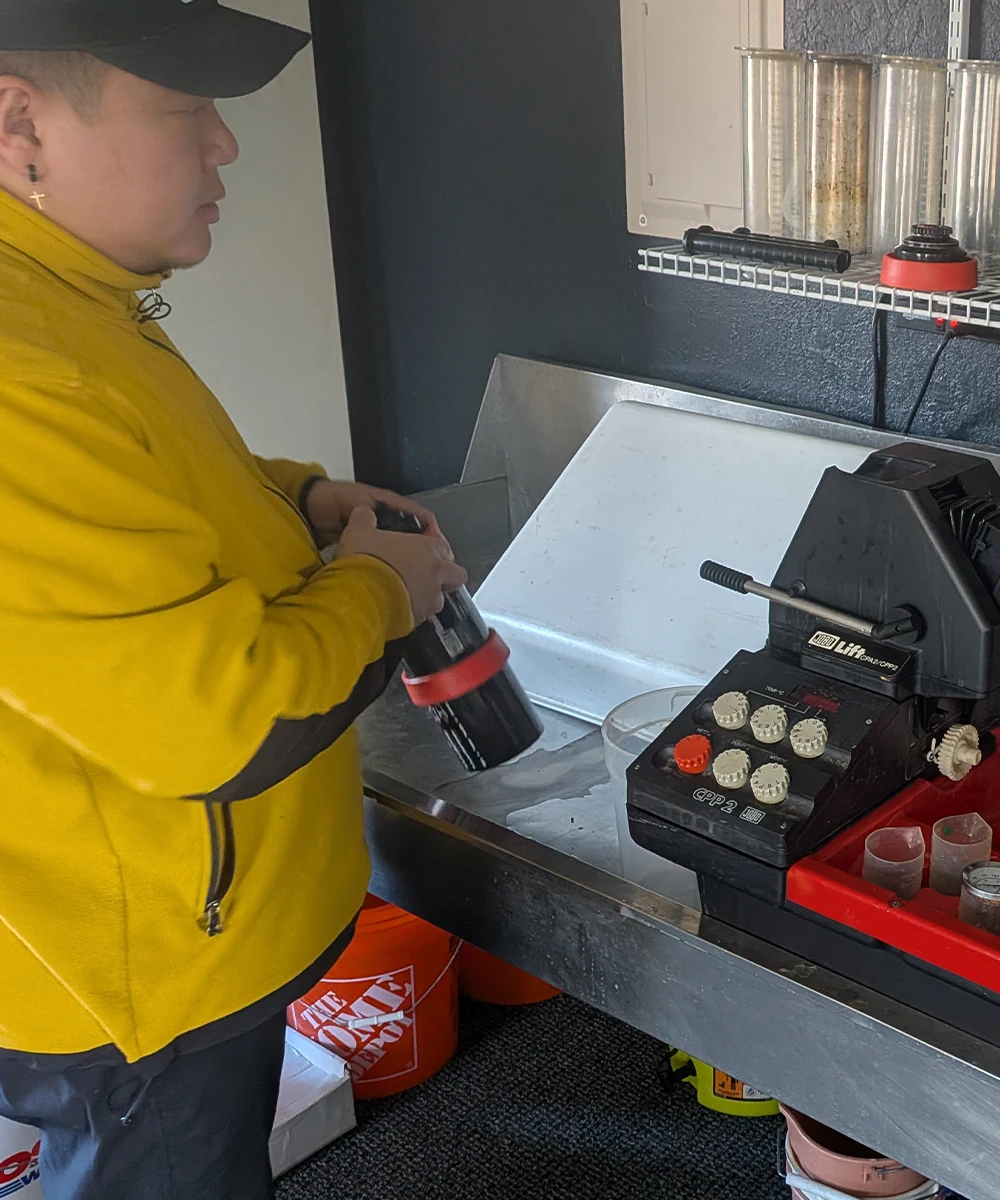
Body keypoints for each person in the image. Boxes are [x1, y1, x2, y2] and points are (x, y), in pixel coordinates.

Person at [0, 3, 468, 1197]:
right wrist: (379, 587)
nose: (226, 145)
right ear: (19, 125)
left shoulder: (63, 299)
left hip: (129, 933)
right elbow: (224, 722)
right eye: (181, 108)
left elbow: (146, 492)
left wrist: (300, 497)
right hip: (138, 981)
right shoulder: (22, 367)